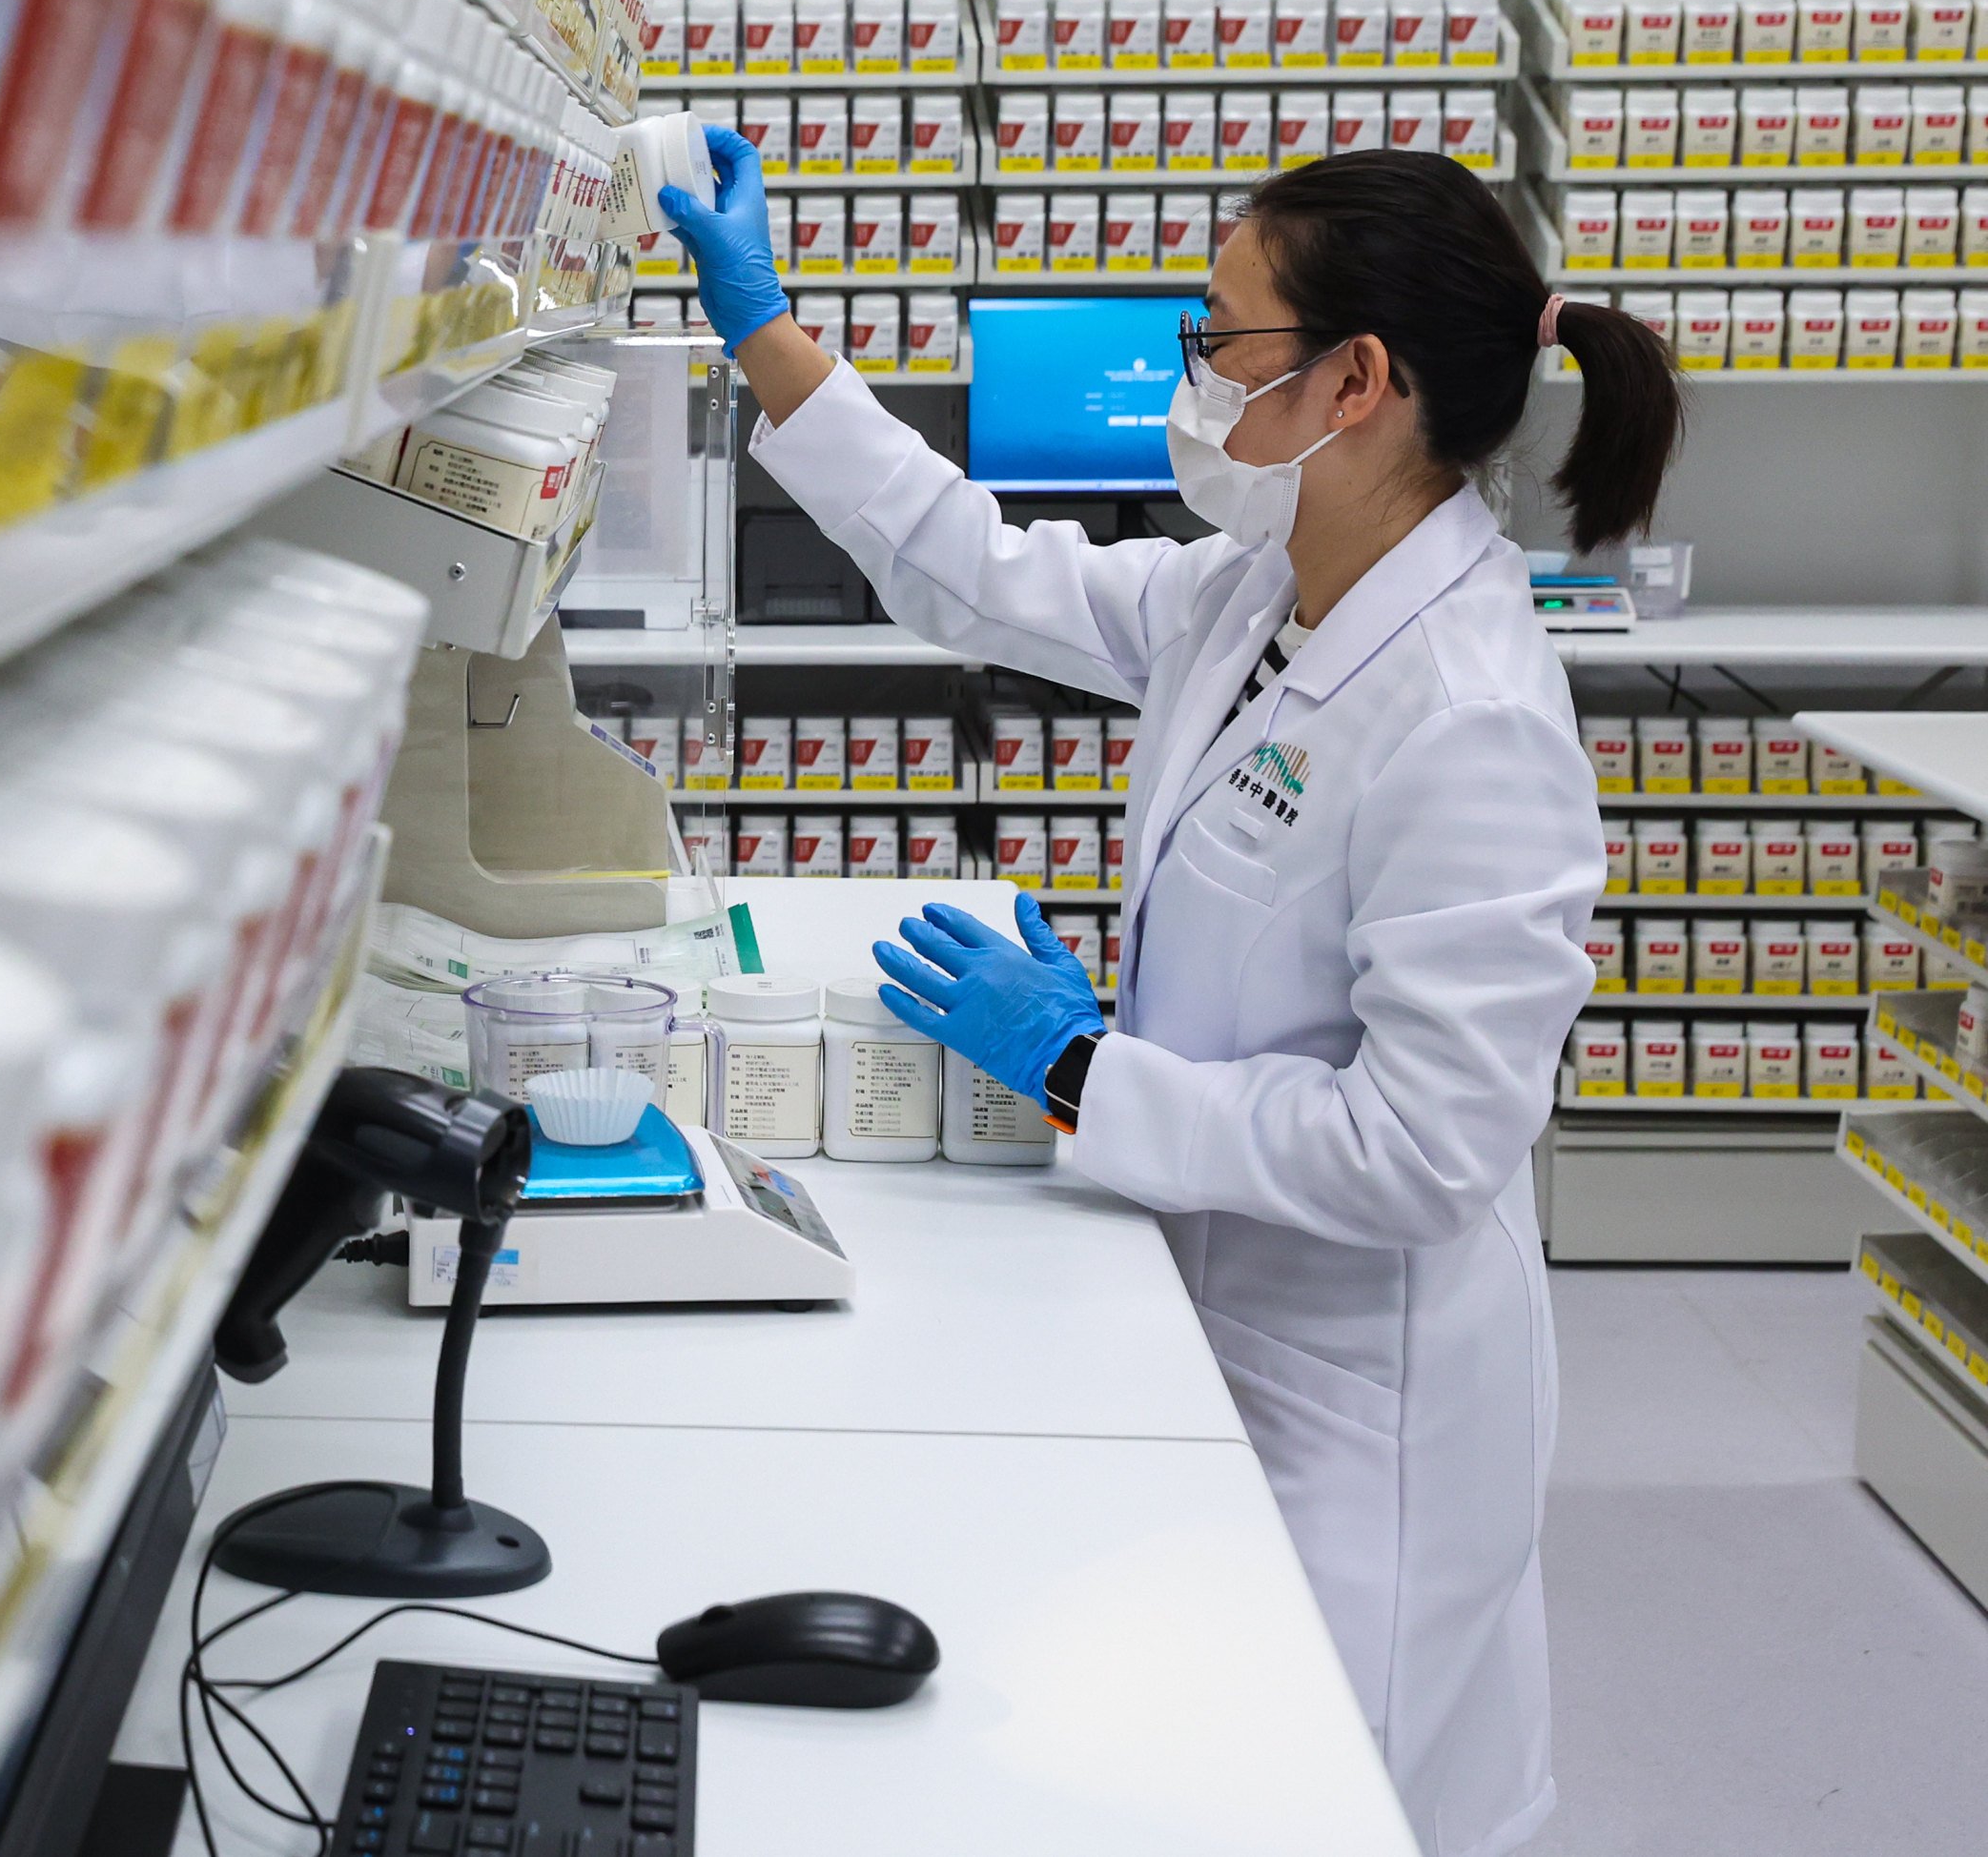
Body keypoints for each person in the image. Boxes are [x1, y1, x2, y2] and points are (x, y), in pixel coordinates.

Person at [657, 131, 1681, 1857]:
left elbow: (1424, 1149)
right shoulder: (1258, 593)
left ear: (1356, 381)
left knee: (1327, 1798)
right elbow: (976, 566)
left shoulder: (1473, 715)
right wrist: (765, 332)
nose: (1191, 375)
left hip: (1363, 1396)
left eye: (1224, 338)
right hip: (1213, 1302)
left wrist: (1084, 1067)